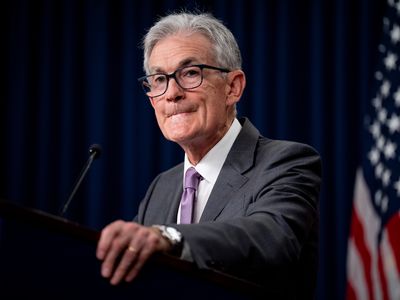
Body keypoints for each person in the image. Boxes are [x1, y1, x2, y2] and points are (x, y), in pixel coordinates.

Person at [96, 11, 321, 299]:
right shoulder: (161, 187)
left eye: (190, 73)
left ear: (233, 87)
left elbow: (272, 237)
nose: (171, 93)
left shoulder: (286, 161)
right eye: (159, 79)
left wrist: (170, 237)